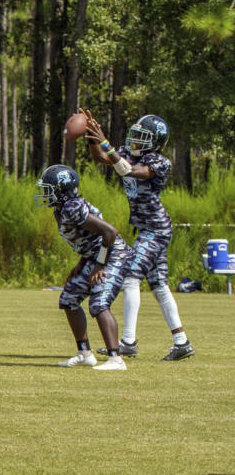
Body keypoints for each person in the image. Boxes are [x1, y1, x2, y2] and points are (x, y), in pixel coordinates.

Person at [82, 110, 194, 361]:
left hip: (156, 229)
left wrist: (105, 141)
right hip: (147, 229)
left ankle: (128, 342)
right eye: (135, 134)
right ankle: (181, 342)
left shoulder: (158, 162)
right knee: (159, 285)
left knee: (130, 277)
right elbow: (102, 158)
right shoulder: (127, 152)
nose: (136, 139)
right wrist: (92, 137)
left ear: (155, 141)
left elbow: (130, 171)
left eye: (142, 136)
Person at [35, 165, 133, 371]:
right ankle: (85, 353)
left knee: (99, 303)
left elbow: (110, 233)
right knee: (69, 299)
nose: (45, 193)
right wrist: (81, 264)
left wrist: (99, 264)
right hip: (94, 255)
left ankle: (116, 359)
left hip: (114, 254)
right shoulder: (60, 210)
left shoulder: (72, 207)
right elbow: (86, 239)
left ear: (62, 190)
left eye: (49, 188)